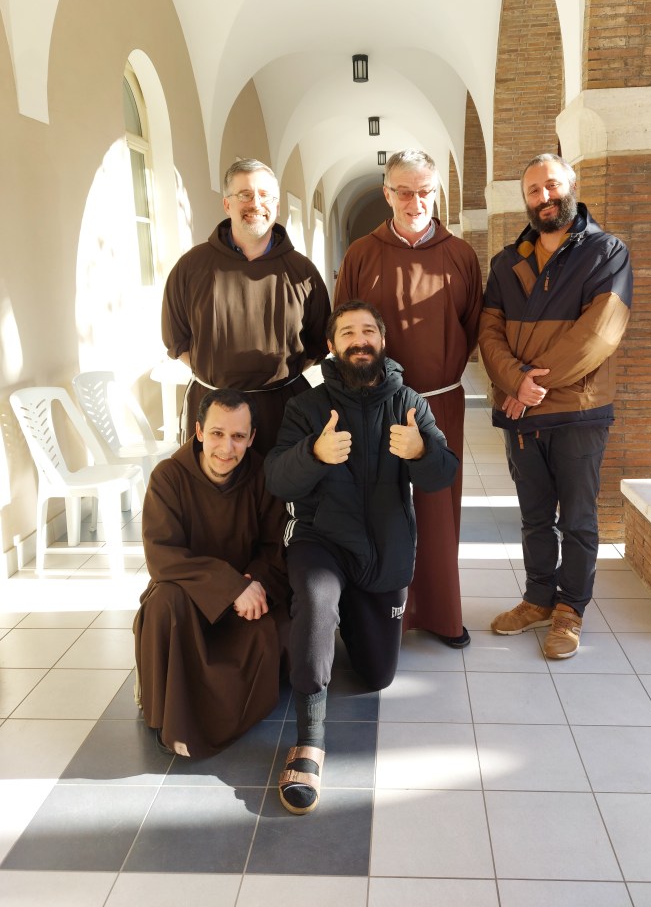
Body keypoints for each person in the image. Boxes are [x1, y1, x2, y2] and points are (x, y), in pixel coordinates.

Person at [264, 300, 459, 814]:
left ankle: (343, 623)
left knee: (376, 675)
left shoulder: (410, 403)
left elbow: (443, 476)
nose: (359, 339)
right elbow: (275, 478)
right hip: (320, 541)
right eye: (347, 332)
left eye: (368, 330)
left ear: (382, 341)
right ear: (331, 346)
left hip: (384, 554)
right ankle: (308, 739)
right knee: (315, 598)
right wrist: (313, 454)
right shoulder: (307, 407)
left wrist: (421, 452)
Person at [479, 153, 632, 659]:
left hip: (578, 413)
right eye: (533, 191)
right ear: (525, 201)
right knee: (534, 516)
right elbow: (489, 332)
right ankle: (538, 599)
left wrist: (529, 387)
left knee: (580, 520)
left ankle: (570, 611)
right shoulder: (506, 262)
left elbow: (598, 334)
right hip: (523, 412)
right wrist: (513, 380)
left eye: (551, 186)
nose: (544, 197)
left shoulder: (606, 252)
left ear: (571, 186)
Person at [334, 149, 482, 649]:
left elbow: (471, 325)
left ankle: (441, 614)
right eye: (403, 190)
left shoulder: (459, 254)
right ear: (386, 193)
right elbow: (342, 326)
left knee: (439, 508)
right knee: (380, 506)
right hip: (374, 402)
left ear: (435, 191)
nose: (414, 200)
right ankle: (382, 615)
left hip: (439, 401)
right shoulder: (361, 253)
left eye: (423, 190)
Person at [133, 388, 290, 758]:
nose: (226, 448)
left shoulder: (264, 476)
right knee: (163, 604)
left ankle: (214, 717)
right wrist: (228, 586)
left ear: (251, 438)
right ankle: (167, 716)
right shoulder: (168, 477)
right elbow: (162, 555)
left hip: (247, 594)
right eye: (217, 434)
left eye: (238, 437)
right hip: (187, 596)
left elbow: (274, 547)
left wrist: (250, 583)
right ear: (199, 431)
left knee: (269, 629)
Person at [161, 158, 331, 455]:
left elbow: (318, 343)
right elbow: (176, 340)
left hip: (284, 410)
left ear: (276, 206)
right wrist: (218, 376)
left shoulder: (302, 271)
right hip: (215, 410)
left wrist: (279, 378)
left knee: (282, 497)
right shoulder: (191, 267)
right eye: (245, 195)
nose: (255, 203)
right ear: (227, 204)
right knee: (216, 500)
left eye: (264, 195)